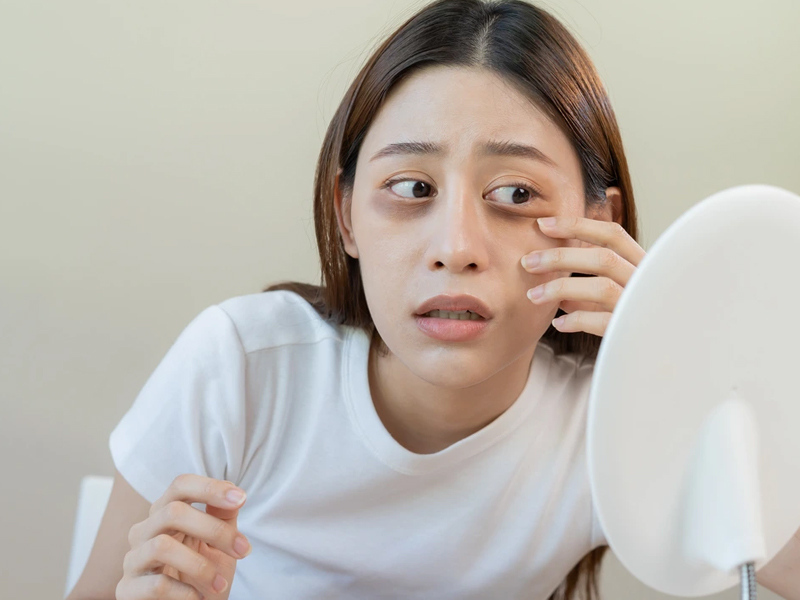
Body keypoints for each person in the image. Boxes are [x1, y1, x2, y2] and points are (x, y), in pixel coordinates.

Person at [68, 1, 648, 599]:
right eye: (412, 187)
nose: (455, 248)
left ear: (598, 225)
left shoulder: (608, 419)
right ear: (346, 216)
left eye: (516, 193)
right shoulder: (243, 368)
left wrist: (678, 354)